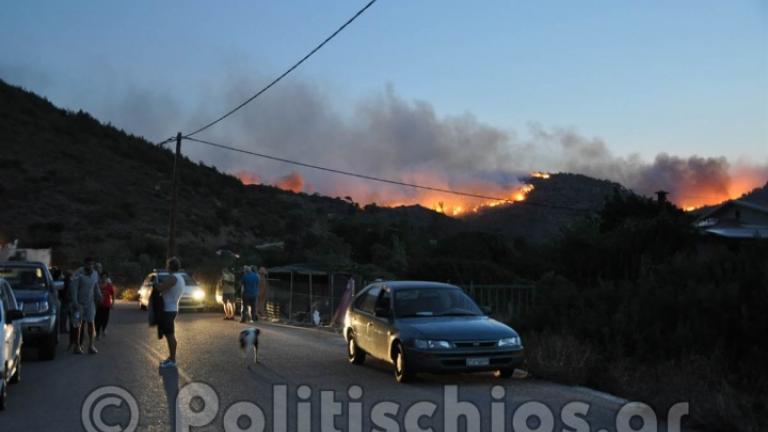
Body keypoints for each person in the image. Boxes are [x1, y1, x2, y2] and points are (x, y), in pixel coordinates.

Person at [155, 257, 185, 368]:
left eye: (167, 265)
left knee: (170, 335)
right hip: (172, 309)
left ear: (170, 266)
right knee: (169, 334)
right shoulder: (181, 278)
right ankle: (171, 358)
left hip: (168, 309)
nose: (166, 267)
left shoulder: (173, 278)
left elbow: (161, 288)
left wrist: (156, 284)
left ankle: (172, 360)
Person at [70, 257, 102, 354]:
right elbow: (74, 289)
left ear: (93, 265)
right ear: (84, 264)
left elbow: (95, 287)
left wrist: (99, 295)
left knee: (91, 323)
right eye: (87, 264)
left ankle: (91, 345)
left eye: (91, 264)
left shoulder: (95, 274)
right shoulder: (78, 274)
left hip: (90, 303)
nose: (89, 266)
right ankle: (77, 346)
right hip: (79, 303)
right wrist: (75, 302)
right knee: (77, 325)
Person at [95, 272, 115, 339]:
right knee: (97, 320)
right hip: (98, 305)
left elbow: (113, 295)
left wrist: (112, 303)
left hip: (106, 305)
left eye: (105, 277)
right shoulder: (97, 285)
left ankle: (103, 329)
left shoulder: (109, 285)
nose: (103, 278)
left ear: (107, 278)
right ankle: (97, 333)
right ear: (100, 278)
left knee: (105, 319)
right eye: (102, 277)